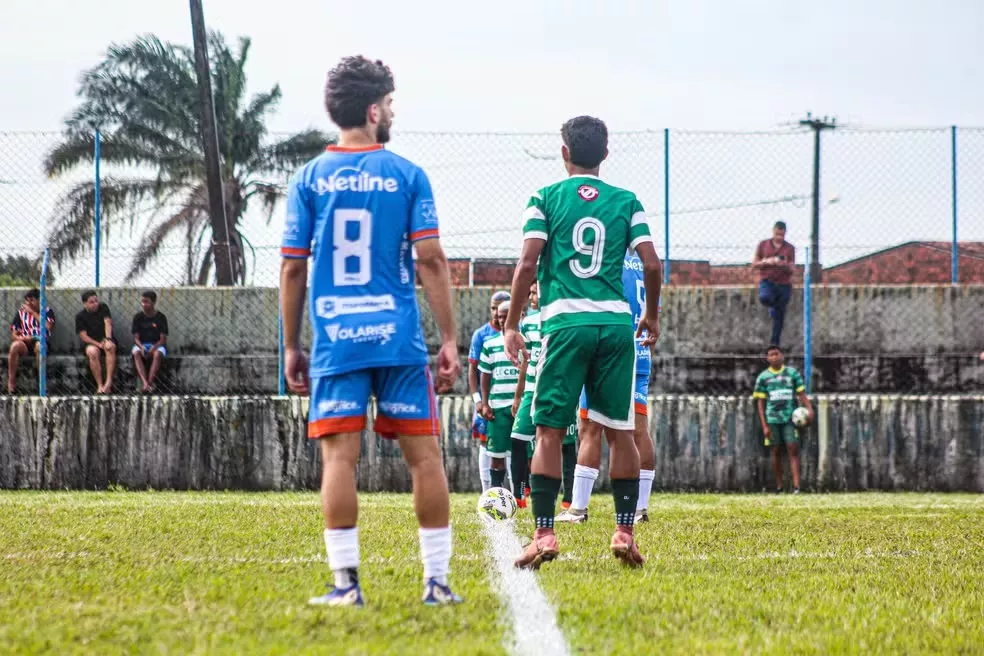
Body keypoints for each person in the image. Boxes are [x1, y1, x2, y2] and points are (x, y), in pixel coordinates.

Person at [280, 56, 462, 608]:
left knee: (340, 460)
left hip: (336, 339)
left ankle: (346, 586)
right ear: (374, 109)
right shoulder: (407, 175)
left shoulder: (309, 178)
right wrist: (449, 338)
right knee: (425, 458)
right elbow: (430, 260)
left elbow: (292, 266)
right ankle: (436, 584)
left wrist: (291, 344)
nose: (393, 110)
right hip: (400, 338)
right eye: (391, 101)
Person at [502, 115, 662, 570]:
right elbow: (651, 263)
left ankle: (545, 535)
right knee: (621, 431)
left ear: (564, 152)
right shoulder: (627, 201)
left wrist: (513, 323)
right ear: (605, 155)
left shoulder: (545, 198)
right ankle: (625, 531)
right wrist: (650, 314)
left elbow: (528, 263)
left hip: (564, 324)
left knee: (549, 430)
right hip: (615, 327)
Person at [557, 250, 659, 524]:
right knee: (639, 429)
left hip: (609, 351)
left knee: (590, 428)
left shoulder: (606, 258)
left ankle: (578, 509)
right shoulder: (642, 264)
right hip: (639, 352)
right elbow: (653, 309)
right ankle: (640, 509)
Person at [753, 345, 814, 493]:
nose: (774, 357)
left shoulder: (792, 374)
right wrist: (765, 425)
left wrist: (810, 409)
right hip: (772, 420)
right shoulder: (763, 378)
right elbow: (760, 403)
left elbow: (801, 394)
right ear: (767, 358)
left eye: (776, 354)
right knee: (775, 451)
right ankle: (779, 486)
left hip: (789, 419)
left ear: (782, 356)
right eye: (771, 355)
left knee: (793, 448)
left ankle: (797, 487)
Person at [468, 291, 511, 492]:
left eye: (500, 308)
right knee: (487, 444)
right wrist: (478, 400)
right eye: (493, 308)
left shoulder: (516, 333)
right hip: (488, 401)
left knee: (513, 446)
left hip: (510, 400)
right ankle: (487, 493)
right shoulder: (481, 335)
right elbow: (473, 370)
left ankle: (513, 492)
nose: (496, 313)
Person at [477, 301, 520, 491]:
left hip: (521, 407)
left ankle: (521, 494)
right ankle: (496, 493)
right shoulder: (490, 344)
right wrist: (484, 403)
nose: (502, 320)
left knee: (523, 454)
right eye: (500, 316)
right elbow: (485, 376)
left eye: (506, 316)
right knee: (496, 454)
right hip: (498, 407)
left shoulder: (524, 342)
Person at [753, 221, 796, 347]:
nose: (779, 237)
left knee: (780, 315)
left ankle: (774, 343)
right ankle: (772, 307)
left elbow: (793, 268)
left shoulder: (789, 248)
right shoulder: (763, 244)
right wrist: (768, 261)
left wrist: (784, 265)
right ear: (773, 231)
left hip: (784, 283)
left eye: (782, 235)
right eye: (777, 234)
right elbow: (754, 264)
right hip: (768, 280)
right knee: (765, 298)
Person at [7, 288, 55, 394]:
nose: (29, 304)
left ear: (39, 300)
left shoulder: (47, 311)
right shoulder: (21, 313)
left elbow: (48, 327)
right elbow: (14, 335)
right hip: (25, 342)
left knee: (39, 347)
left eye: (32, 300)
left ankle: (41, 382)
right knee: (15, 346)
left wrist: (33, 313)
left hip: (40, 341)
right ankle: (11, 382)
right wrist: (23, 338)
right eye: (27, 301)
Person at [75, 291, 117, 394]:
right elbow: (83, 336)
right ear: (85, 304)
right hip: (92, 343)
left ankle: (108, 383)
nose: (95, 304)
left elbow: (108, 323)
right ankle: (100, 385)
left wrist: (108, 339)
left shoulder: (103, 308)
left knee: (110, 347)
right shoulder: (80, 316)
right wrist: (98, 344)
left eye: (96, 301)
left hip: (105, 339)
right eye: (91, 302)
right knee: (92, 352)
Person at [131, 290, 169, 393]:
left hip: (157, 345)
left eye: (146, 302)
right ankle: (145, 383)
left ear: (153, 302)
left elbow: (163, 339)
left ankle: (150, 382)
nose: (144, 304)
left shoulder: (161, 318)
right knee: (136, 353)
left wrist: (154, 347)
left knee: (157, 354)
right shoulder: (138, 317)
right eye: (142, 302)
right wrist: (142, 347)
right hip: (142, 344)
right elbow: (136, 338)